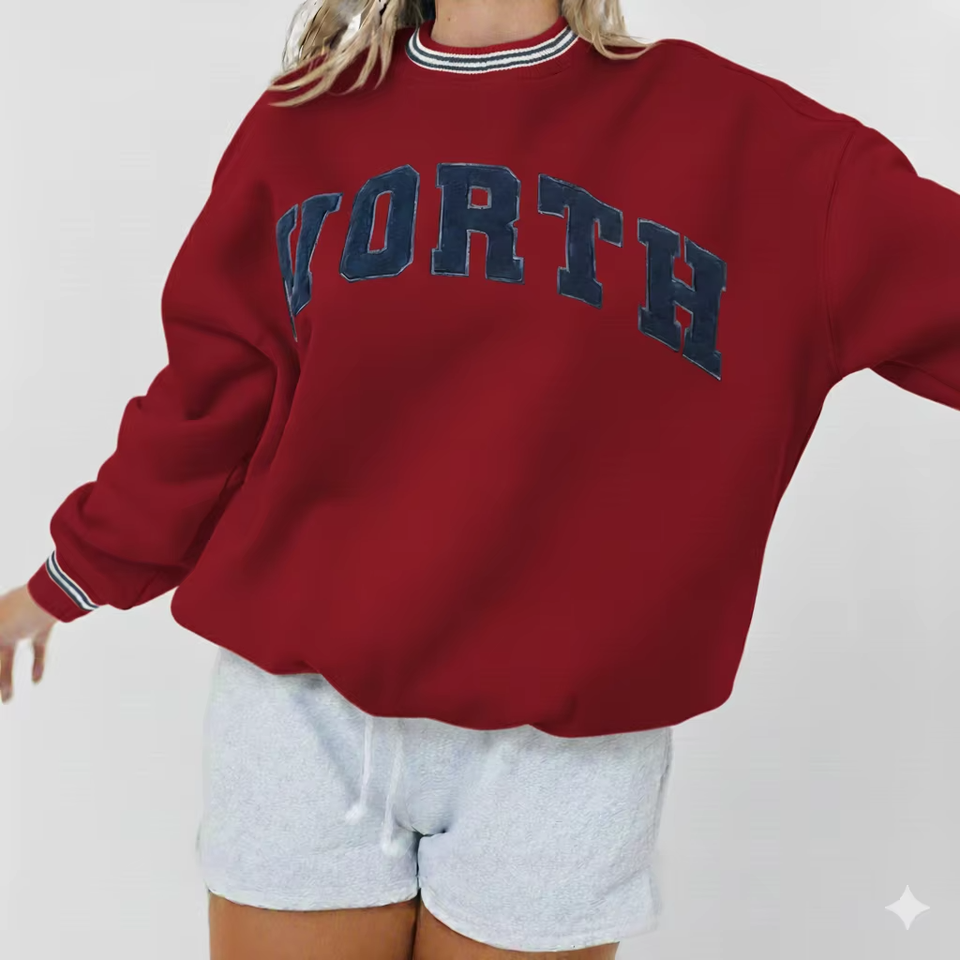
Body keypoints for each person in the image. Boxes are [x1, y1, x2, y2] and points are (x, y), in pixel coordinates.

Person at [2, 0, 959, 957]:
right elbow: (210, 405)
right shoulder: (306, 121)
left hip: (565, 755)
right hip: (303, 718)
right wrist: (60, 584)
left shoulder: (754, 148)